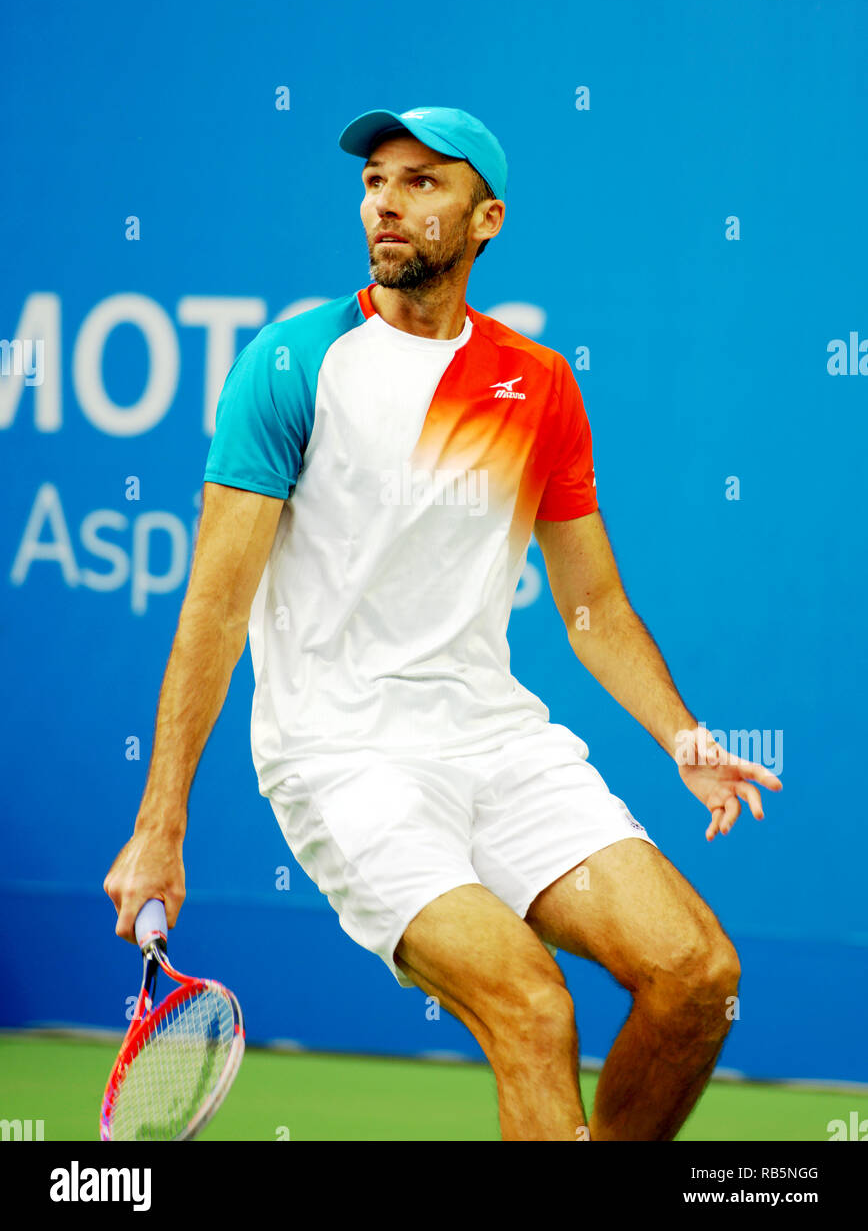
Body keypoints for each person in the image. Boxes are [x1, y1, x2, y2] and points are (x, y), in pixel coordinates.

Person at [104, 105, 782, 1141]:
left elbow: (592, 607)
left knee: (695, 974)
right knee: (531, 1003)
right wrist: (161, 823)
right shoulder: (293, 366)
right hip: (345, 757)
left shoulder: (539, 382)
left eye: (424, 182)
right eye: (377, 180)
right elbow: (215, 606)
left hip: (498, 742)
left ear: (485, 218)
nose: (387, 201)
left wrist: (680, 737)